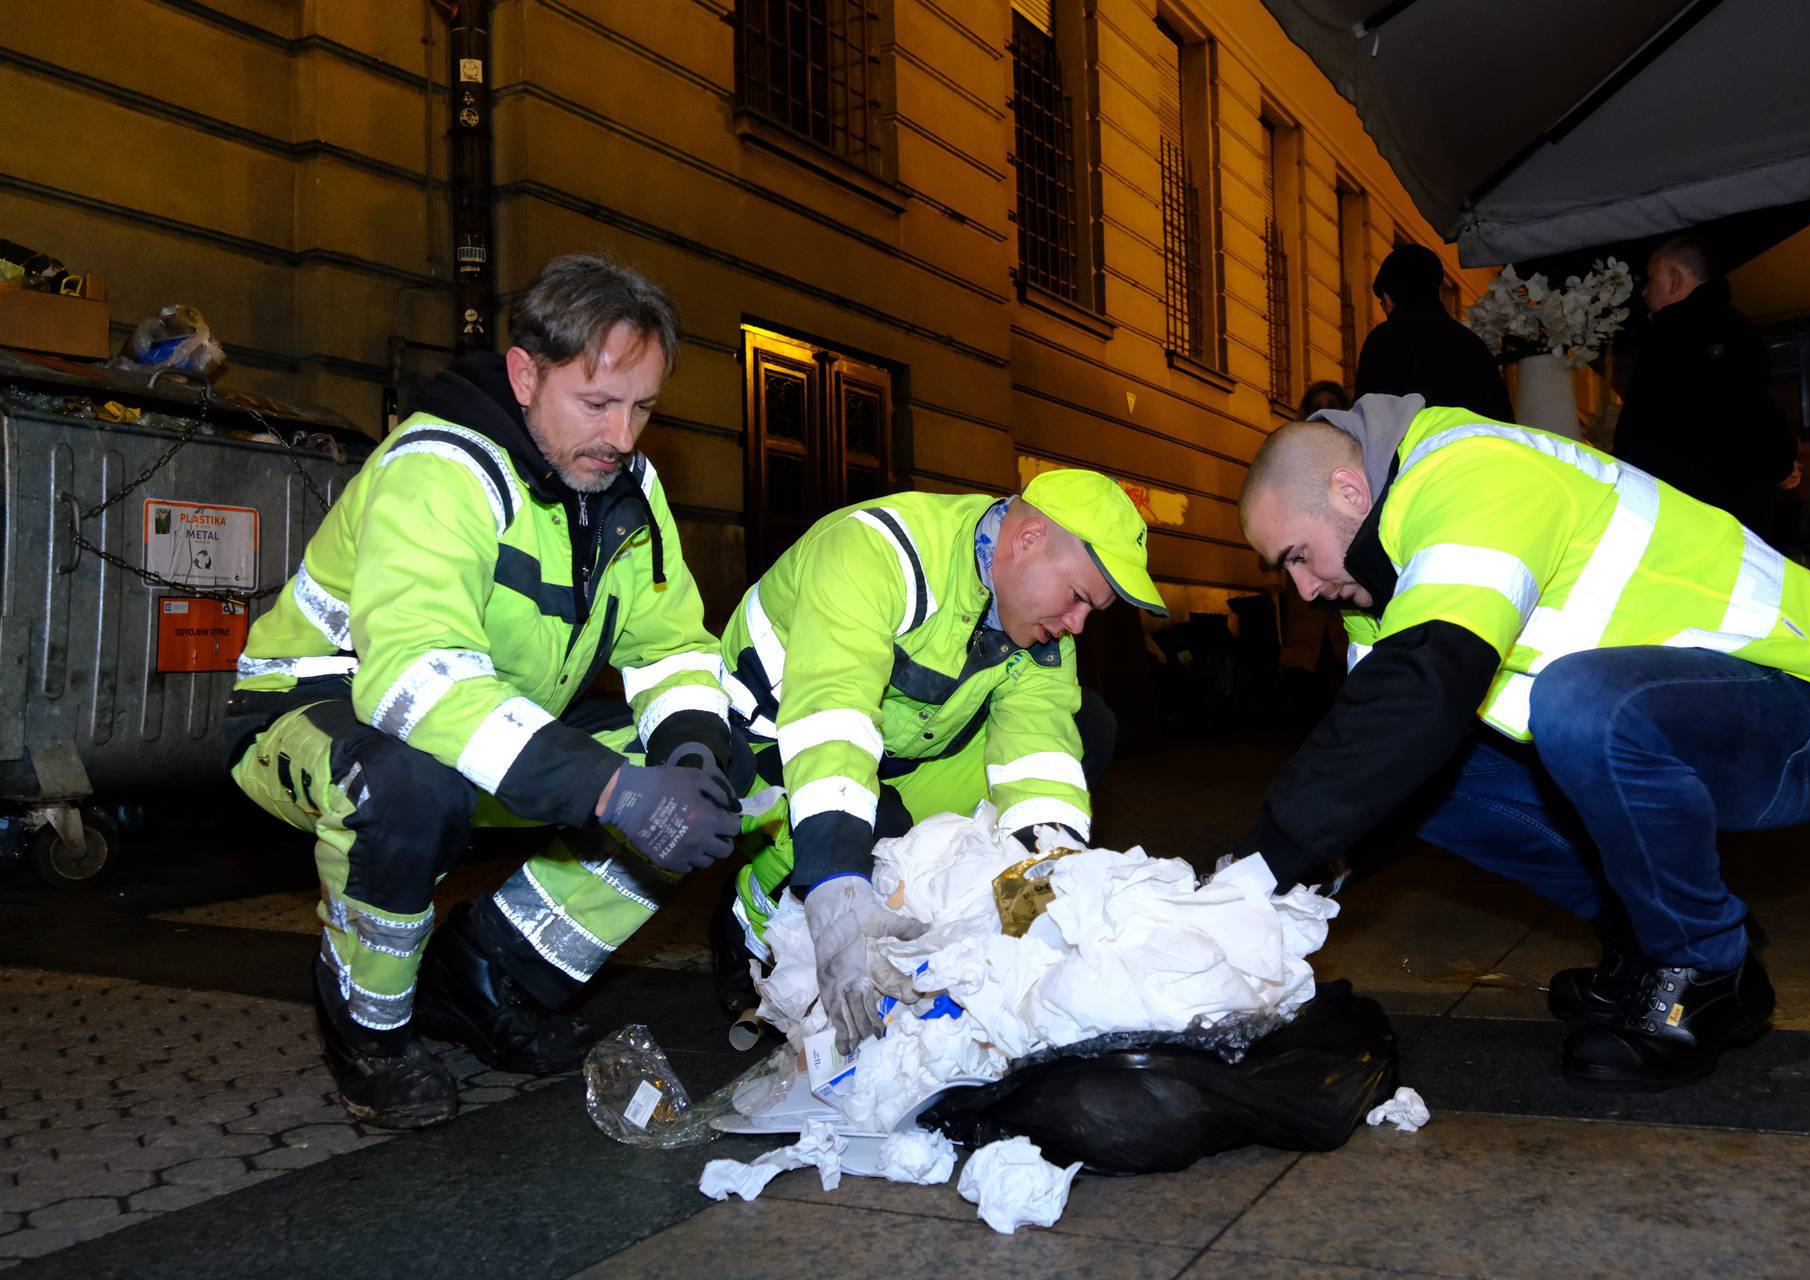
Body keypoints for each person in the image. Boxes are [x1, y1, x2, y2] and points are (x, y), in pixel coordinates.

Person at [224, 254, 740, 1129]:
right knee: (403, 787)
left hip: (491, 726)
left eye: (643, 407)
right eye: (597, 402)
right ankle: (370, 1030)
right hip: (320, 715)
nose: (622, 436)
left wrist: (688, 756)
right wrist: (612, 787)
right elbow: (416, 679)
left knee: (731, 771)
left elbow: (674, 645)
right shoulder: (439, 470)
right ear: (524, 374)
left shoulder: (626, 488)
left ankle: (486, 976)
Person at [1234, 393, 1810, 1091]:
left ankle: (1706, 966)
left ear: (1348, 489)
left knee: (1580, 702)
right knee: (1413, 781)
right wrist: (1276, 887)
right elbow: (1376, 754)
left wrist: (1262, 866)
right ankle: (1650, 931)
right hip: (1690, 718)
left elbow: (1425, 685)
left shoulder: (1472, 473)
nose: (1302, 588)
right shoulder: (1381, 587)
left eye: (1297, 556)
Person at [715, 470, 1166, 1052]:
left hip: (900, 757)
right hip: (775, 750)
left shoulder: (1041, 625)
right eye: (1078, 598)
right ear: (1028, 539)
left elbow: (1040, 758)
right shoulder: (873, 550)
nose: (1077, 624)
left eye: (1090, 612)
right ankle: (758, 900)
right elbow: (834, 713)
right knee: (870, 852)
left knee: (1088, 727)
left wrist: (1038, 914)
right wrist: (835, 880)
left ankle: (939, 903)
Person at [1612, 233, 1796, 535]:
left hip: (1692, 518)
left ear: (1673, 279)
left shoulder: (1688, 333)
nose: (1644, 292)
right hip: (1706, 516)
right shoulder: (1720, 329)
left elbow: (1747, 411)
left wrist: (1778, 460)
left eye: (1650, 279)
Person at [1354, 244, 1513, 422]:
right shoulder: (1472, 343)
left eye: (1382, 303)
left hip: (1418, 449)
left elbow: (1370, 420)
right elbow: (1501, 414)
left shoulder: (1385, 339)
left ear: (1388, 297)